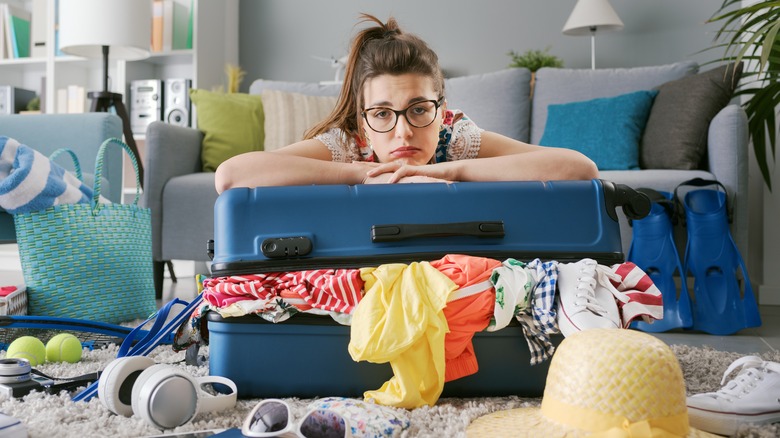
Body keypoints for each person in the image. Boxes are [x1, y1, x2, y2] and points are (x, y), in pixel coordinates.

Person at [215, 14, 597, 193]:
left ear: (442, 110)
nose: (404, 131)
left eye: (418, 109)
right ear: (363, 123)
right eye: (382, 113)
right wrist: (365, 174)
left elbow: (580, 168)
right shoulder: (350, 144)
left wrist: (450, 172)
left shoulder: (453, 137)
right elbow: (230, 176)